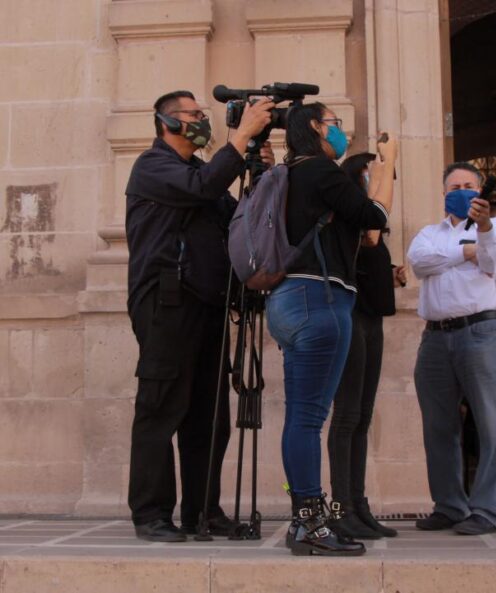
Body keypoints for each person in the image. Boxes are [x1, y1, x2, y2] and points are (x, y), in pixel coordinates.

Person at [125, 90, 275, 542]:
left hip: (207, 304)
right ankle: (151, 514)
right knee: (161, 408)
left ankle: (202, 511)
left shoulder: (199, 173)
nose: (202, 121)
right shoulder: (153, 167)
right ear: (167, 122)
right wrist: (240, 135)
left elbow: (237, 218)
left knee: (208, 416)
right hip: (167, 304)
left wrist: (259, 173)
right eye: (194, 115)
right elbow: (203, 188)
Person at [266, 103, 397, 556]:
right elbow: (374, 218)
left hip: (286, 300)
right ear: (316, 130)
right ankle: (308, 524)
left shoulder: (287, 174)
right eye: (335, 125)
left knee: (301, 417)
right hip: (318, 299)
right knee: (308, 418)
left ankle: (308, 519)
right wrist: (389, 164)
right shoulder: (322, 172)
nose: (340, 133)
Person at [407, 162, 496, 536]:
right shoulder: (427, 233)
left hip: (480, 330)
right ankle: (449, 505)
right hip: (435, 336)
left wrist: (479, 234)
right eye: (455, 185)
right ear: (444, 192)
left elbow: (492, 263)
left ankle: (486, 509)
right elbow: (419, 263)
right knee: (439, 425)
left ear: (480, 191)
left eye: (469, 184)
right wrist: (462, 253)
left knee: (491, 423)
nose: (462, 189)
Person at [326, 152, 406, 540]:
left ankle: (358, 506)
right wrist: (385, 164)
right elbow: (372, 231)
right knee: (347, 415)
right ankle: (341, 508)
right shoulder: (350, 210)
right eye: (366, 176)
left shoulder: (360, 212)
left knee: (361, 416)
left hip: (370, 315)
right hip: (349, 315)